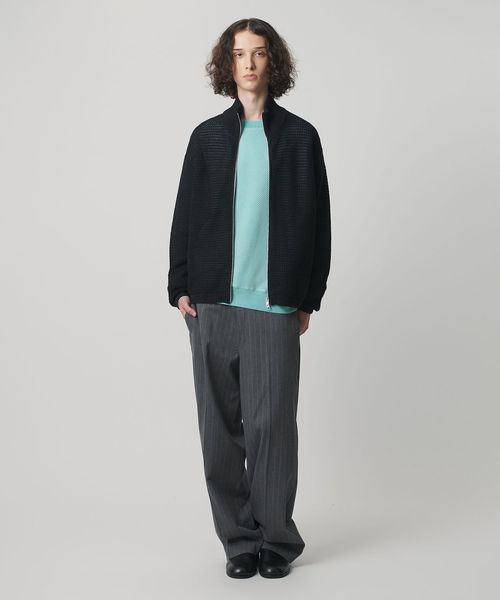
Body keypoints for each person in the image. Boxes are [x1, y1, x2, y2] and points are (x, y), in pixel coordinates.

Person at [167, 18, 331, 579]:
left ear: (272, 62)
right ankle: (238, 541)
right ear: (228, 64)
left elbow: (320, 222)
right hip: (212, 303)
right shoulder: (207, 138)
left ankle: (276, 542)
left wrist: (308, 297)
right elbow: (185, 212)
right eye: (239, 54)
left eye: (259, 53)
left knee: (272, 428)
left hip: (276, 305)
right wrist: (179, 285)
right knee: (219, 430)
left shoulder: (301, 138)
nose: (250, 64)